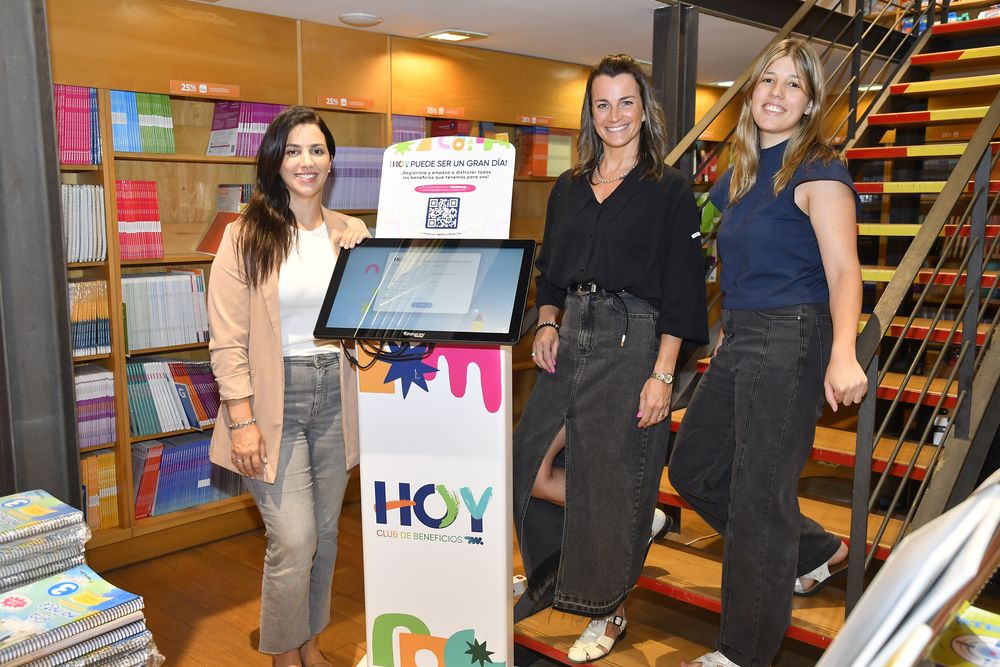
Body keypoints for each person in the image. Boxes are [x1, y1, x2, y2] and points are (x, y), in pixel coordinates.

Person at [669, 39, 868, 667]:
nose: (776, 94)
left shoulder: (818, 170)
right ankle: (813, 549)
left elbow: (845, 271)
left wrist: (844, 353)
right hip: (742, 335)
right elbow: (711, 243)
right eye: (767, 80)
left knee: (759, 497)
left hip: (793, 336)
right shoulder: (742, 172)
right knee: (695, 468)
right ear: (751, 91)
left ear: (810, 103)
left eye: (793, 85)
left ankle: (743, 653)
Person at [512, 54, 709, 663]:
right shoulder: (569, 187)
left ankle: (608, 609)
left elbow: (682, 288)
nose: (614, 115)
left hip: (633, 338)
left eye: (627, 102)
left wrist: (662, 374)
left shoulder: (668, 189)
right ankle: (612, 533)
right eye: (603, 104)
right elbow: (550, 272)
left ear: (644, 111)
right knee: (526, 462)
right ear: (589, 113)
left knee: (611, 471)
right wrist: (548, 321)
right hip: (571, 332)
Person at [207, 106, 370, 667]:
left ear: (330, 161)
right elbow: (227, 341)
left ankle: (310, 644)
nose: (307, 161)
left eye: (317, 150)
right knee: (294, 538)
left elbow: (369, 322)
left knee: (325, 535)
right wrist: (242, 420)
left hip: (336, 393)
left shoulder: (350, 233)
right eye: (294, 150)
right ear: (275, 160)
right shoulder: (243, 236)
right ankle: (283, 654)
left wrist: (367, 259)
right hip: (273, 401)